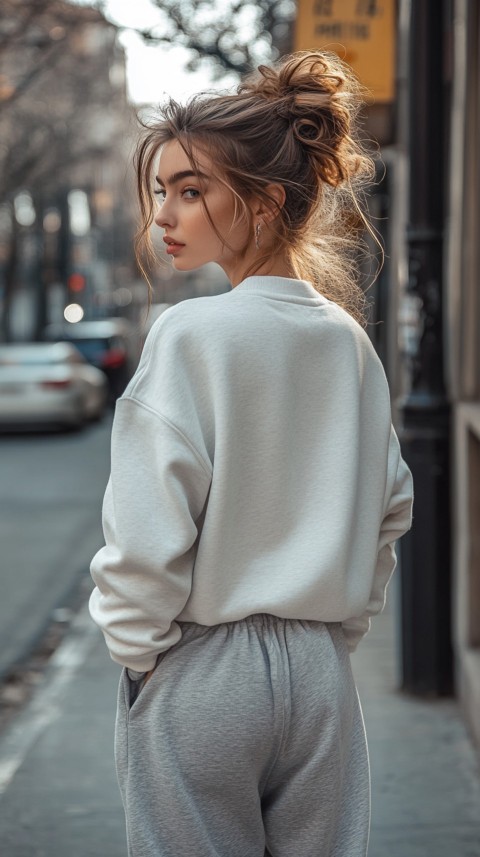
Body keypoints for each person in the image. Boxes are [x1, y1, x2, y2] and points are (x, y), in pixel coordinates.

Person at [89, 50, 413, 857]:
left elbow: (145, 532)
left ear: (266, 202)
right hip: (320, 672)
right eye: (161, 190)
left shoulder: (191, 336)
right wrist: (333, 631)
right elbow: (391, 505)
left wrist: (139, 660)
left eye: (191, 191)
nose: (165, 214)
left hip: (201, 670)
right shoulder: (349, 344)